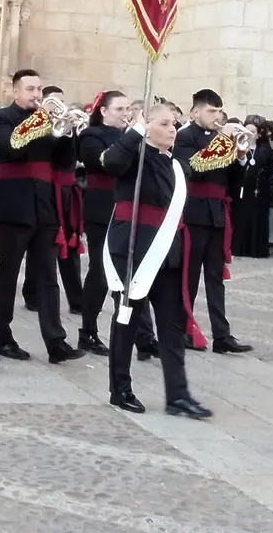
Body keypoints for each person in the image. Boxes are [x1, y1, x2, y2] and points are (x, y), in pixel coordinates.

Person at [102, 102, 212, 419]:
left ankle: (178, 395)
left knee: (171, 324)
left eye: (174, 124)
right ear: (146, 126)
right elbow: (112, 162)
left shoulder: (174, 164)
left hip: (167, 252)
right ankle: (120, 388)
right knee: (127, 318)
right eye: (163, 123)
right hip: (134, 248)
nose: (172, 129)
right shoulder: (133, 156)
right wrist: (136, 129)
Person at [0, 69, 84, 363]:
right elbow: (11, 147)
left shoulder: (49, 121)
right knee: (8, 272)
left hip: (45, 205)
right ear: (15, 92)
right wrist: (41, 121)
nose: (37, 94)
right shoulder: (1, 118)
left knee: (47, 275)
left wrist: (66, 132)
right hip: (12, 206)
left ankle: (56, 341)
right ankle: (3, 338)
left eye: (39, 89)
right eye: (30, 89)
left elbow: (65, 161)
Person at [173, 89, 252, 354]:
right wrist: (222, 142)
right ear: (196, 112)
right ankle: (184, 329)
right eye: (210, 110)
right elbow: (193, 168)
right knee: (189, 276)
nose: (216, 116)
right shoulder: (185, 136)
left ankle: (222, 335)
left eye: (219, 111)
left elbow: (234, 181)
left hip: (218, 213)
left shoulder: (222, 140)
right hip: (194, 213)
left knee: (216, 278)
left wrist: (240, 157)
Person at [76, 90, 153, 358]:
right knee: (100, 273)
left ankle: (144, 337)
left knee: (133, 273)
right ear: (104, 111)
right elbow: (107, 163)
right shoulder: (91, 136)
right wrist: (133, 136)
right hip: (101, 209)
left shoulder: (132, 136)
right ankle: (87, 332)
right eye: (119, 109)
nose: (125, 114)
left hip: (128, 209)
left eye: (128, 109)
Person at [21, 85, 84, 317]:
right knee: (40, 245)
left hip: (67, 190)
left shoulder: (66, 125)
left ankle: (77, 299)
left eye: (61, 101)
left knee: (71, 244)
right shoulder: (36, 125)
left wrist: (70, 131)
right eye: (54, 101)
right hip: (46, 189)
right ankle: (32, 294)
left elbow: (71, 156)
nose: (59, 106)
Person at [231, 117, 273, 258]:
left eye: (252, 131)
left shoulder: (264, 149)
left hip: (259, 189)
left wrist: (261, 172)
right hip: (242, 189)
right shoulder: (237, 147)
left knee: (258, 218)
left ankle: (257, 249)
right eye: (247, 130)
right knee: (242, 218)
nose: (249, 133)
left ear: (258, 134)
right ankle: (240, 248)